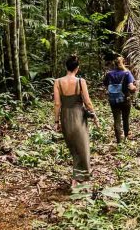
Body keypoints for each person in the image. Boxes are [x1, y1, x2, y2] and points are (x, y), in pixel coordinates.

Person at [53, 55, 99, 187]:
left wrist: (57, 122)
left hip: (66, 117)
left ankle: (77, 179)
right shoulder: (80, 82)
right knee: (82, 148)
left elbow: (57, 104)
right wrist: (94, 115)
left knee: (74, 149)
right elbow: (87, 102)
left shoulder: (58, 82)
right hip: (79, 116)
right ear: (77, 68)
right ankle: (77, 179)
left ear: (66, 67)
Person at [103, 55, 137, 143]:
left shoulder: (109, 74)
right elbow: (131, 87)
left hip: (113, 100)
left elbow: (106, 84)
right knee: (125, 118)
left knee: (116, 119)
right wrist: (135, 88)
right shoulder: (127, 73)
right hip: (125, 99)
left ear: (113, 64)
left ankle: (119, 141)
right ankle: (126, 137)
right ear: (124, 63)